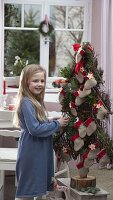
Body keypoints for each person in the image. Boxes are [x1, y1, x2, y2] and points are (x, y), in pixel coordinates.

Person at [13, 64, 69, 200]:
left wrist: (49, 120)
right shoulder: (26, 102)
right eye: (35, 81)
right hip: (32, 150)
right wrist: (57, 124)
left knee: (38, 183)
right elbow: (34, 129)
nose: (40, 84)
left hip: (39, 148)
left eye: (42, 81)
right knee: (29, 186)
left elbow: (35, 121)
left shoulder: (35, 101)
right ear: (26, 82)